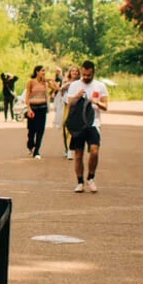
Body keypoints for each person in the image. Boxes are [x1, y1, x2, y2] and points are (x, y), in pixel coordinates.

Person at [66, 60, 110, 193]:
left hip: (93, 123)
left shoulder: (100, 86)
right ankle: (79, 182)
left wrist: (97, 102)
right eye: (84, 74)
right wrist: (76, 97)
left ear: (93, 73)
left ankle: (91, 178)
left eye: (88, 75)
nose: (85, 77)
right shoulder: (74, 85)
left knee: (95, 151)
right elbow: (69, 104)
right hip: (79, 124)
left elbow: (105, 106)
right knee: (78, 154)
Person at [24, 66, 50, 159]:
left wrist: (49, 81)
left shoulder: (45, 83)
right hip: (33, 108)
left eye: (44, 71)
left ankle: (37, 151)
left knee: (40, 130)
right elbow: (27, 95)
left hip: (42, 108)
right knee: (32, 130)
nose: (44, 72)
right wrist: (29, 108)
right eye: (42, 71)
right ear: (37, 72)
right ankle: (31, 144)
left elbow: (56, 89)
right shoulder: (31, 82)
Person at [59, 66, 80, 159]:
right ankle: (67, 148)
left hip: (77, 107)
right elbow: (61, 93)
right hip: (66, 106)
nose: (74, 73)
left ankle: (72, 148)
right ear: (70, 72)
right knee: (66, 126)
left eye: (76, 71)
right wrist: (65, 87)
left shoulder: (81, 83)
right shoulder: (65, 82)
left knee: (75, 127)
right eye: (73, 71)